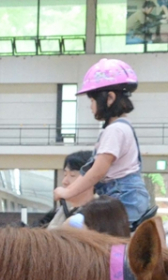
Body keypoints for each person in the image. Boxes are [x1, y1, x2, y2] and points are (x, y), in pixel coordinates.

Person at [54, 58, 151, 225]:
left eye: (92, 100)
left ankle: (118, 253)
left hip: (125, 200)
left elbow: (97, 171)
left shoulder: (115, 131)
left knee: (75, 225)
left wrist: (67, 193)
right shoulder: (117, 128)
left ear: (110, 98)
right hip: (120, 197)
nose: (91, 106)